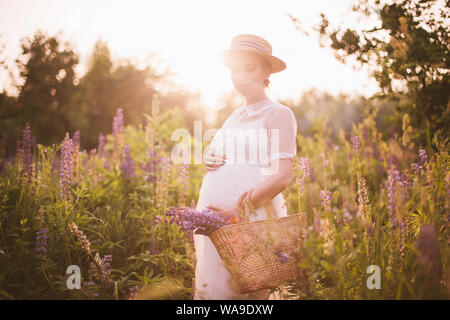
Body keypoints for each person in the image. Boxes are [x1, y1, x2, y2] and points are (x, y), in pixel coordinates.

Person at [193, 34, 298, 300]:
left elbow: (283, 175)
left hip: (251, 217)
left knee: (249, 292)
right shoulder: (234, 115)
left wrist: (240, 208)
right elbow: (230, 155)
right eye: (235, 69)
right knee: (218, 290)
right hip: (219, 223)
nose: (241, 76)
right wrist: (211, 158)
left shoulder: (279, 114)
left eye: (249, 68)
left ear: (266, 71)